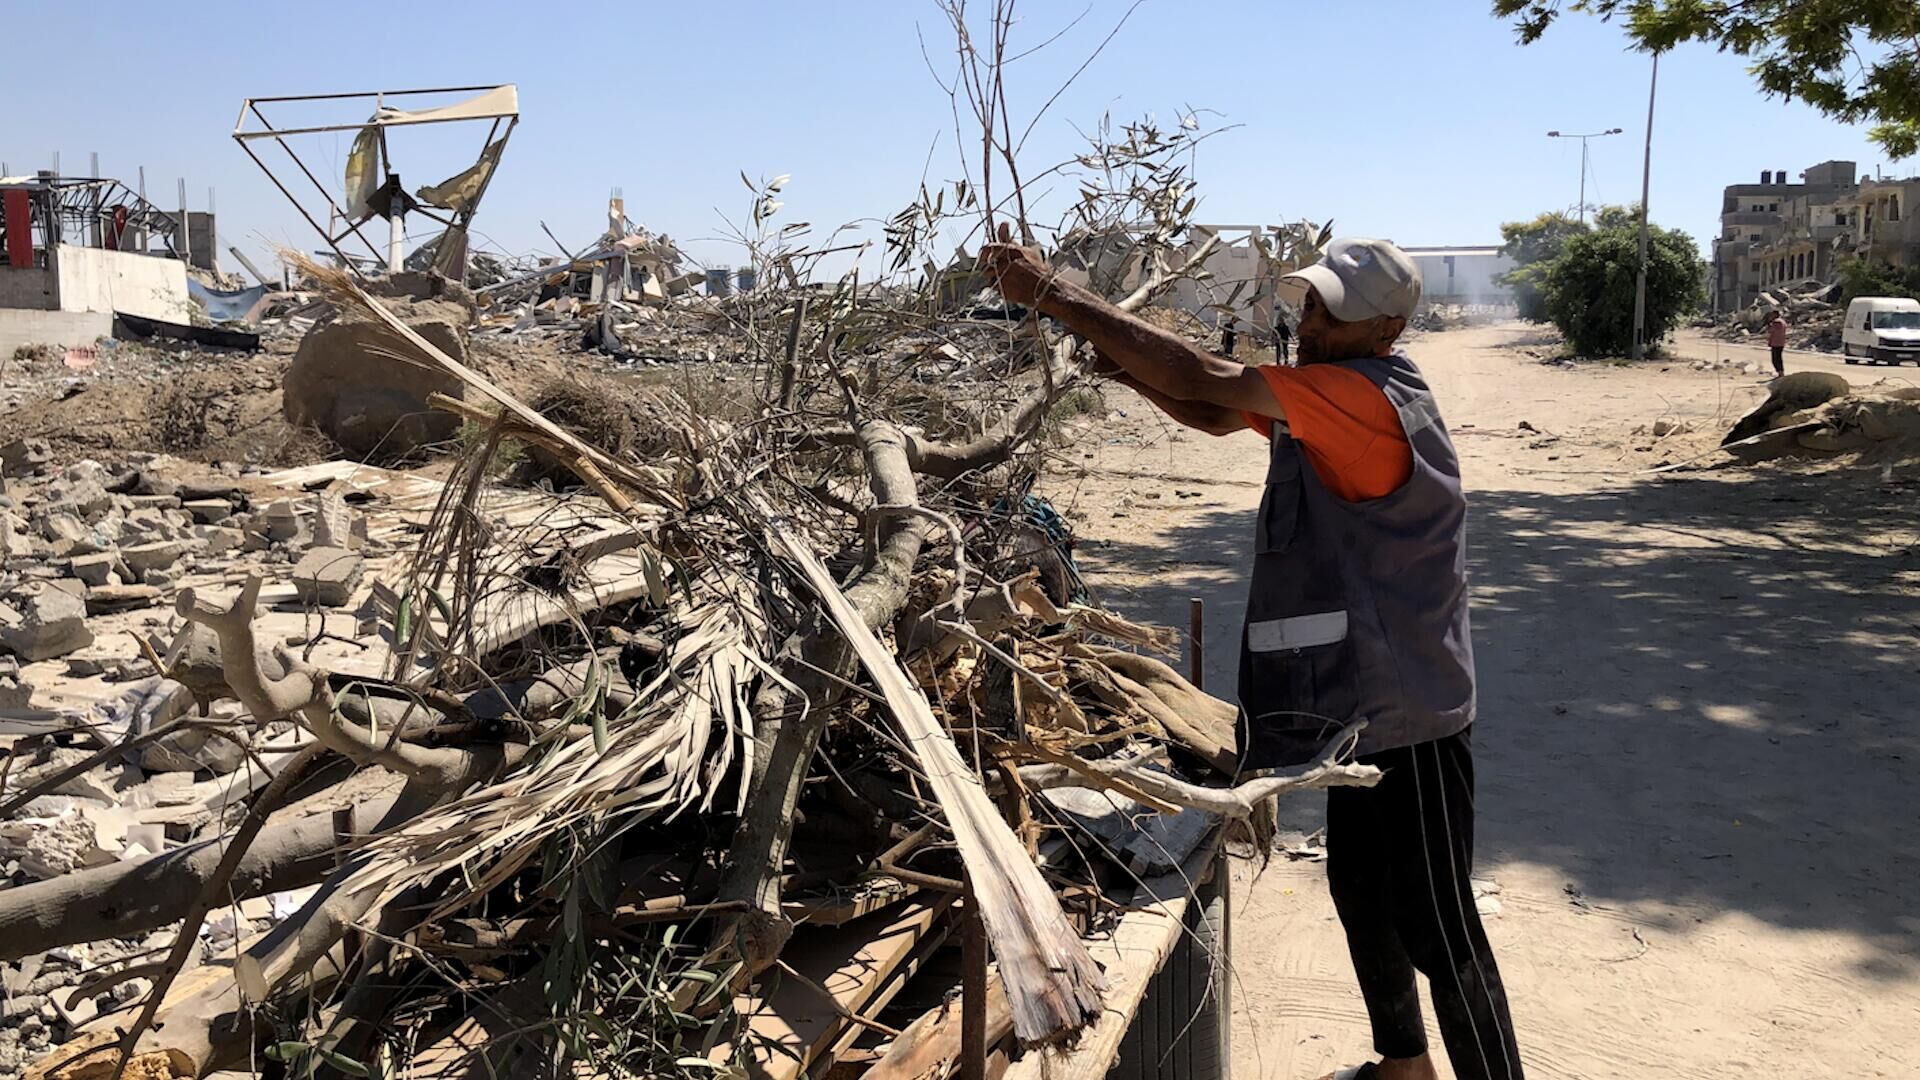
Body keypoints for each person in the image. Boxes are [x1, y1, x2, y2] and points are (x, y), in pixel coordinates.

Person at [980, 227, 1524, 1080]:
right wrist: (1113, 360)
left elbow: (1208, 379)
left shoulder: (1363, 396)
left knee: (1440, 923)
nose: (1308, 325)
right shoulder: (1326, 393)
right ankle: (1405, 1066)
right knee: (1359, 893)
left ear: (1384, 334)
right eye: (1309, 305)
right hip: (1358, 704)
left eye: (1330, 317)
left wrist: (1060, 296)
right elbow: (1210, 409)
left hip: (1408, 709)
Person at [1766, 309, 1788, 376]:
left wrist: (1769, 325)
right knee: (1779, 358)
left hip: (1776, 342)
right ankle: (1781, 372)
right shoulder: (1783, 322)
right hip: (1781, 342)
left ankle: (1780, 372)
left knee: (1775, 359)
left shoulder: (1776, 322)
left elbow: (1772, 331)